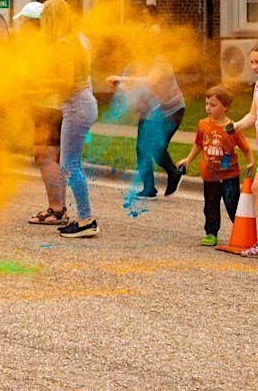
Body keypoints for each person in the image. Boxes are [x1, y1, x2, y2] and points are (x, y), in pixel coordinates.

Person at [40, 0, 99, 238]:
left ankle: (86, 219)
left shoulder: (63, 44)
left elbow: (64, 83)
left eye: (44, 17)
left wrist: (36, 84)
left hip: (76, 106)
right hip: (82, 102)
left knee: (70, 165)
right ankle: (85, 217)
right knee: (71, 164)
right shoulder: (77, 39)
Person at [177, 86, 255, 247]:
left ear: (225, 107)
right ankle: (211, 233)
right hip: (210, 175)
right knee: (210, 205)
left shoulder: (231, 127)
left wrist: (251, 161)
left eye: (213, 105)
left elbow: (245, 146)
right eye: (207, 104)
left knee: (232, 203)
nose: (208, 108)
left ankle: (243, 232)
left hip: (229, 175)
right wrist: (188, 159)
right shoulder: (203, 124)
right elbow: (198, 144)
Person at [14, 1, 68, 225]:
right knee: (52, 157)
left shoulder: (42, 45)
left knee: (46, 157)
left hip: (48, 108)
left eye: (23, 22)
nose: (20, 26)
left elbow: (48, 80)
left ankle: (56, 209)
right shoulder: (49, 43)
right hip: (50, 106)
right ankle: (59, 207)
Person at [107, 51, 186, 198]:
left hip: (170, 111)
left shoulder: (160, 61)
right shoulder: (134, 65)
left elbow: (150, 81)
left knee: (157, 148)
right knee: (142, 148)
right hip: (149, 111)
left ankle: (174, 173)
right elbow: (132, 95)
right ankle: (149, 188)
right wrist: (120, 88)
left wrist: (122, 79)